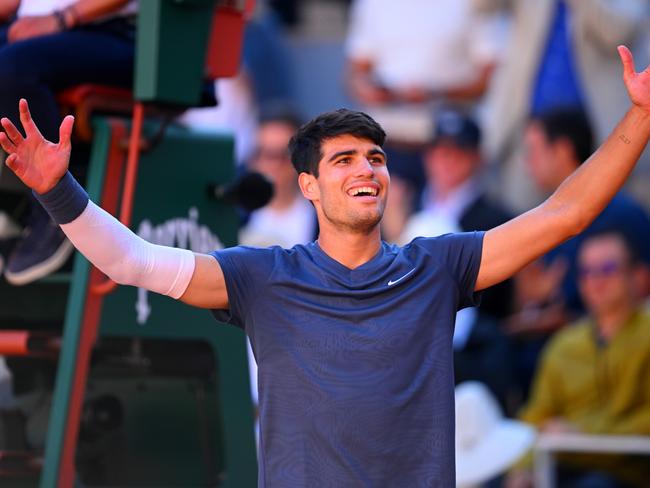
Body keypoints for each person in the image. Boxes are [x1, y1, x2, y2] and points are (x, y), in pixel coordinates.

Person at [1, 46, 649, 487]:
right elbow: (133, 261)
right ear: (307, 186)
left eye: (375, 158)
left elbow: (565, 214)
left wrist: (641, 117)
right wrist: (60, 193)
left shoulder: (440, 264)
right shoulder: (262, 277)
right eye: (344, 160)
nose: (366, 170)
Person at [0, 0, 136, 285]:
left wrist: (63, 18)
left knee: (11, 68)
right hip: (27, 29)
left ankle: (53, 210)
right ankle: (8, 212)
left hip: (114, 32)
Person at [507, 231, 650, 488]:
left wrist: (584, 434)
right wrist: (523, 469)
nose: (595, 280)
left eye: (607, 268)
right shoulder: (564, 345)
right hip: (563, 468)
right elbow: (536, 417)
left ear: (638, 276)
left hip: (630, 472)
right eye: (586, 271)